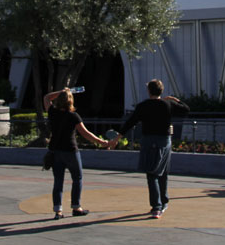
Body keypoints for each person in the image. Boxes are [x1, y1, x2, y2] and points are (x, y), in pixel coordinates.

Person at [108, 79, 189, 218]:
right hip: (165, 141)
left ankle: (156, 206)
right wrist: (175, 99)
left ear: (149, 90)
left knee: (151, 173)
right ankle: (163, 201)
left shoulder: (143, 106)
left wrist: (117, 138)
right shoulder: (168, 104)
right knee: (163, 172)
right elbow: (186, 110)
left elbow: (130, 123)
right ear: (161, 91)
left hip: (149, 140)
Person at [43, 87, 108, 220]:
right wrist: (102, 142)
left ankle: (58, 210)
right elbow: (86, 134)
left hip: (55, 151)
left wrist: (62, 91)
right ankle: (76, 206)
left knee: (58, 181)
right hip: (70, 150)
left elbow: (46, 97)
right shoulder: (73, 116)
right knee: (77, 178)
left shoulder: (52, 112)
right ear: (70, 101)